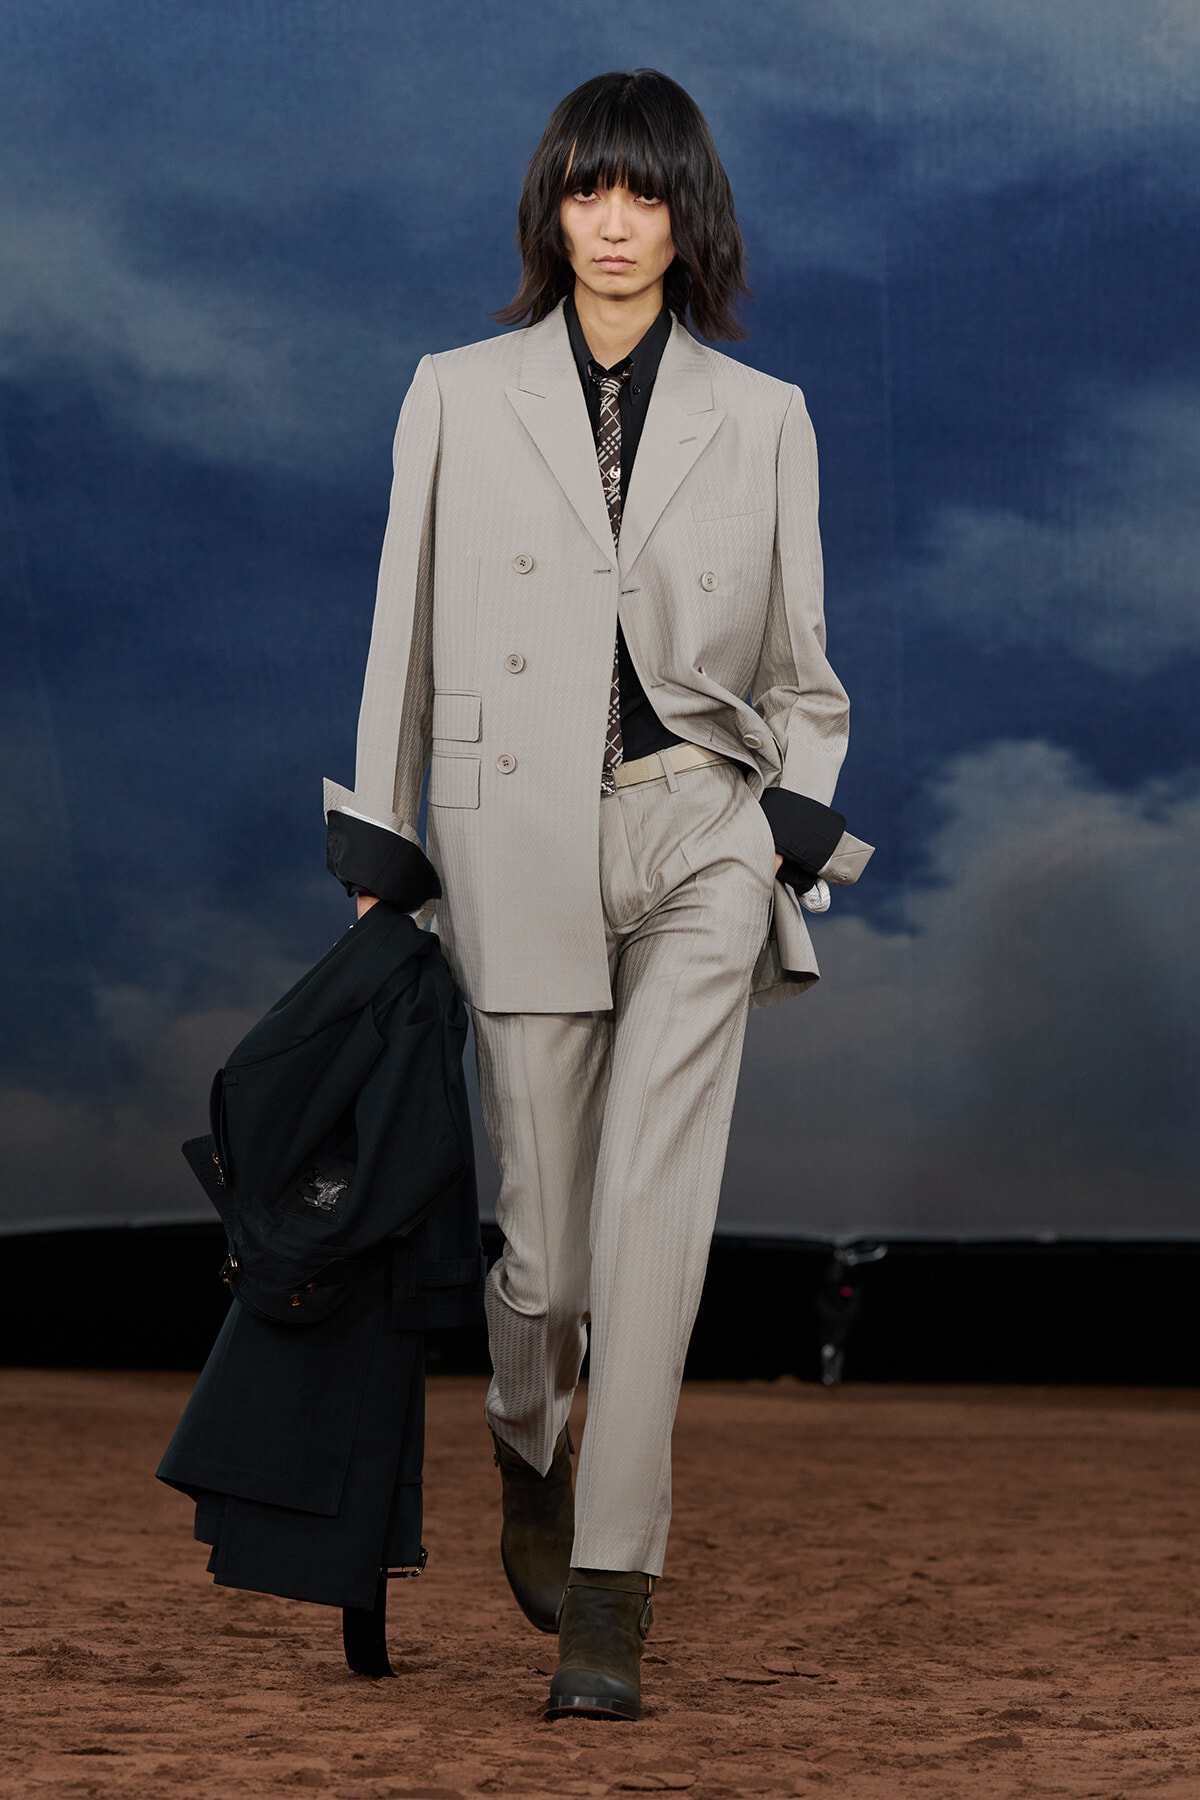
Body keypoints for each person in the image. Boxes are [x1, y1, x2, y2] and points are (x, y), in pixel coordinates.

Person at [323, 67, 872, 1720]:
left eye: (643, 192)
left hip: (698, 837)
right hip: (513, 844)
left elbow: (807, 674)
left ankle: (613, 1594)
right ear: (551, 211)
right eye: (586, 190)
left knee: (653, 1228)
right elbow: (400, 634)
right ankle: (528, 1440)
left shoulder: (762, 417)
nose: (615, 222)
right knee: (548, 1263)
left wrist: (785, 823)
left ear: (686, 214)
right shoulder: (454, 392)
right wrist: (381, 841)